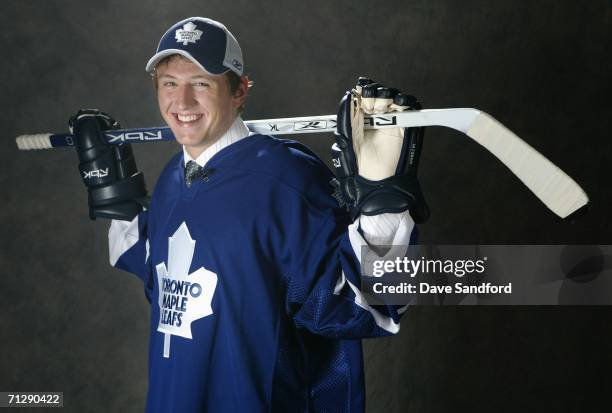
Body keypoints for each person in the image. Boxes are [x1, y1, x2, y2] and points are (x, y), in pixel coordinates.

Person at [70, 16, 428, 413]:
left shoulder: (287, 179)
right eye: (170, 83)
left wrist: (383, 205)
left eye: (201, 83)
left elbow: (362, 306)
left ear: (239, 90)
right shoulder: (176, 175)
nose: (181, 102)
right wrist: (116, 199)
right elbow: (165, 276)